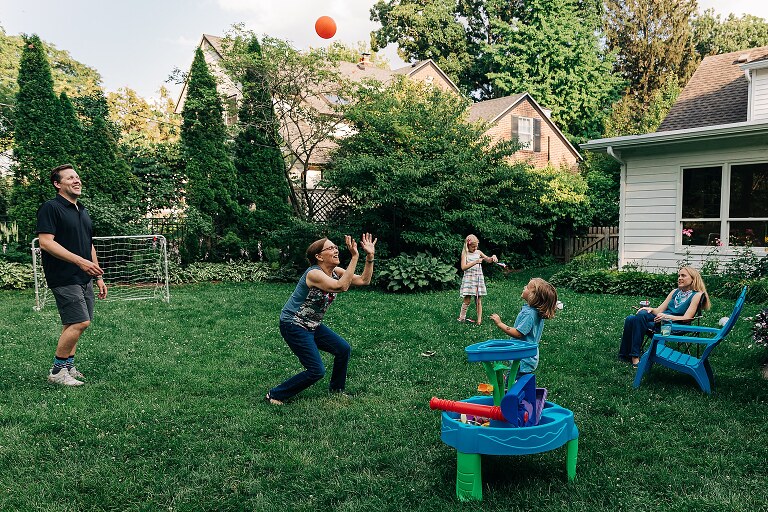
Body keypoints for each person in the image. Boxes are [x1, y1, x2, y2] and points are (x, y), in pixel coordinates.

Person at [266, 234, 377, 405]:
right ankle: (275, 394)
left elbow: (363, 280)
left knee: (343, 349)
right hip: (293, 324)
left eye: (335, 247)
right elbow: (341, 286)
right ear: (318, 256)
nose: (336, 250)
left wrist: (370, 256)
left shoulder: (334, 272)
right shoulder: (314, 274)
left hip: (312, 324)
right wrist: (355, 256)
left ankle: (336, 390)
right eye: (331, 248)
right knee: (316, 370)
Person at [36, 164, 108, 386]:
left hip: (84, 276)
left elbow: (89, 246)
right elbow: (46, 243)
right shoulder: (51, 208)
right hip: (63, 275)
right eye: (70, 178)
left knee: (72, 324)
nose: (77, 180)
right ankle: (57, 372)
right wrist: (80, 262)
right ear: (58, 184)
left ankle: (69, 366)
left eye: (77, 177)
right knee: (80, 321)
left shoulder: (82, 211)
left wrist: (97, 276)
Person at [618, 266, 710, 369]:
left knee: (634, 319)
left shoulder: (697, 295)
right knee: (635, 317)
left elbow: (687, 318)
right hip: (660, 322)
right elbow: (659, 310)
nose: (679, 278)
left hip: (673, 326)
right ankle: (629, 356)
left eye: (683, 275)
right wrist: (650, 309)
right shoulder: (675, 292)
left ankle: (633, 356)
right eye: (679, 276)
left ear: (693, 278)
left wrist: (667, 317)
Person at [489, 278, 559, 374]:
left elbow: (518, 334)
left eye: (527, 287)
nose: (524, 287)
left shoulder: (529, 314)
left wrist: (500, 323)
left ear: (533, 296)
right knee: (521, 383)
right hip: (528, 355)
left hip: (522, 358)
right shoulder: (536, 311)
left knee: (512, 385)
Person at [458, 234, 497, 325]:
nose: (475, 248)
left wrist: (493, 257)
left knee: (478, 300)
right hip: (469, 279)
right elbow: (463, 267)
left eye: (476, 246)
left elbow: (488, 259)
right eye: (473, 247)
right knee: (467, 299)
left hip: (477, 279)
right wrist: (475, 262)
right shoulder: (465, 254)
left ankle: (479, 321)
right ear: (468, 245)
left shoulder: (478, 252)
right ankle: (462, 318)